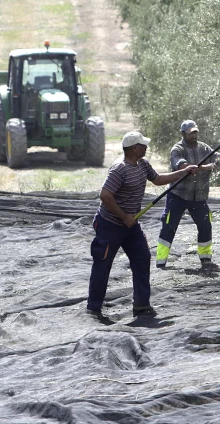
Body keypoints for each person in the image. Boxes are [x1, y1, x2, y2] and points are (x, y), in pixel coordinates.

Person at [87, 131, 197, 319]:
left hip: (131, 227)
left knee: (142, 258)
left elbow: (158, 179)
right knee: (103, 265)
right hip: (110, 224)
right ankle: (94, 308)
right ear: (134, 148)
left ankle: (141, 306)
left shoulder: (143, 165)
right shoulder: (119, 169)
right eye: (143, 145)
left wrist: (184, 172)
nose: (146, 147)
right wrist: (124, 216)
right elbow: (105, 195)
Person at [156, 120, 219, 271]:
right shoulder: (177, 149)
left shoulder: (205, 148)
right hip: (178, 195)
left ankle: (206, 260)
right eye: (190, 133)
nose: (194, 135)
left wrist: (219, 160)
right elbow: (183, 166)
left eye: (195, 132)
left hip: (199, 197)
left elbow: (218, 158)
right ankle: (161, 262)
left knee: (205, 226)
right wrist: (207, 167)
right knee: (169, 226)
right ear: (183, 134)